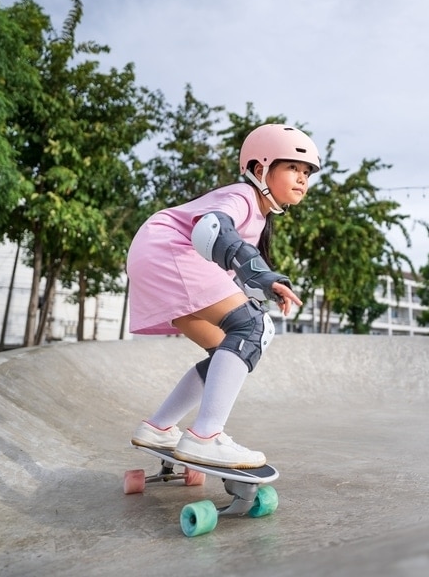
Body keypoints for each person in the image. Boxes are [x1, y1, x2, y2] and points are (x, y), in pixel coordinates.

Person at [127, 124, 320, 469]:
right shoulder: (241, 197)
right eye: (292, 167)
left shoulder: (258, 217)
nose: (302, 178)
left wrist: (264, 283)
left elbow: (229, 265)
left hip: (154, 254)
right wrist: (258, 274)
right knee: (255, 330)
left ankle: (158, 427)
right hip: (168, 251)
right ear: (260, 170)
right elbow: (212, 229)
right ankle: (206, 436)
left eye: (306, 172)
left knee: (225, 352)